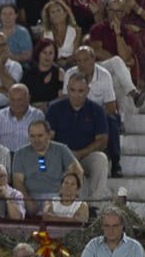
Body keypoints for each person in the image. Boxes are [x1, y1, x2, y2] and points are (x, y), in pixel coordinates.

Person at [45, 74, 110, 202]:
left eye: (81, 91)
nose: (76, 95)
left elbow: (102, 141)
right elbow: (48, 139)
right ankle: (58, 203)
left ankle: (93, 205)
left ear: (88, 91)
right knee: (44, 160)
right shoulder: (55, 108)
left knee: (101, 160)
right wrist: (66, 155)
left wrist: (80, 153)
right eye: (73, 90)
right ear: (67, 89)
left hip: (86, 155)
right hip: (62, 157)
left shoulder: (97, 110)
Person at [11, 119, 84, 216]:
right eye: (32, 136)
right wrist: (29, 202)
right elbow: (17, 182)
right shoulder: (20, 153)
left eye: (40, 136)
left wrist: (67, 195)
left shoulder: (61, 149)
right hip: (31, 197)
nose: (36, 140)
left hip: (57, 197)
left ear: (49, 135)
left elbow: (77, 171)